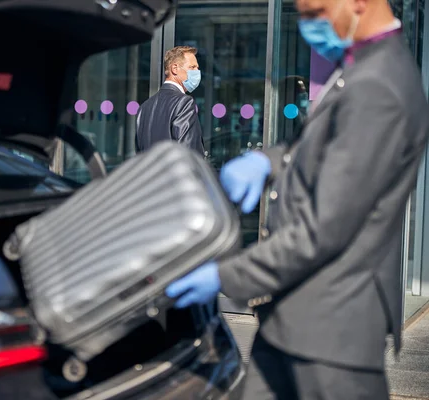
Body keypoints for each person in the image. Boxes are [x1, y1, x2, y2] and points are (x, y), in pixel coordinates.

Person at [164, 0, 429, 398]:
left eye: (315, 12)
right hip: (294, 317)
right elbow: (311, 144)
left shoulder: (379, 86)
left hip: (334, 329)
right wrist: (265, 159)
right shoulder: (361, 66)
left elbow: (321, 231)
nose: (307, 25)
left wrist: (225, 276)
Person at [135, 46, 205, 155]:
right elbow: (187, 153)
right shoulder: (184, 102)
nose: (197, 71)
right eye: (192, 67)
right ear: (174, 69)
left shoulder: (144, 107)